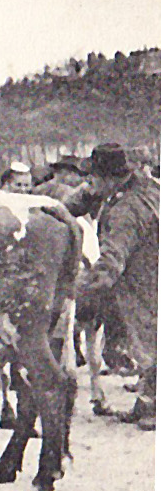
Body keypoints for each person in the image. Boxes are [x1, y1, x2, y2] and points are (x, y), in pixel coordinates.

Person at [80, 142, 158, 430]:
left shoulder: (127, 209)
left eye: (93, 177)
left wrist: (84, 288)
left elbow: (114, 257)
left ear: (107, 178)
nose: (89, 183)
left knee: (149, 344)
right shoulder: (147, 188)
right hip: (150, 274)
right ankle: (145, 404)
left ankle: (153, 410)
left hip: (143, 282)